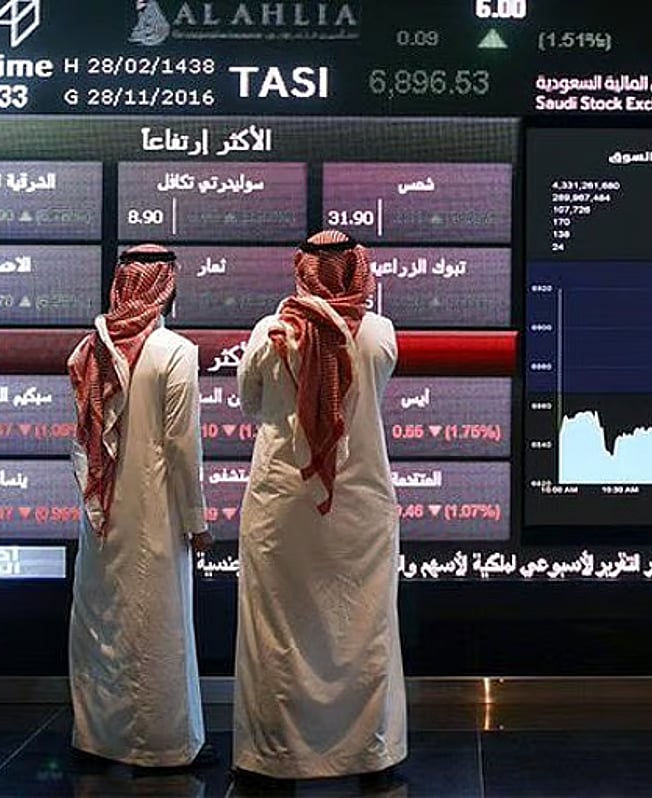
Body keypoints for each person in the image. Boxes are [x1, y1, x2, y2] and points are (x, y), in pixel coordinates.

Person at [233, 230, 406, 790]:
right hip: (359, 504)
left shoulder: (270, 332)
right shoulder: (380, 333)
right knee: (363, 625)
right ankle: (370, 756)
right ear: (358, 270)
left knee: (278, 629)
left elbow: (250, 402)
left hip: (283, 502)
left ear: (302, 270)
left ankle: (276, 759)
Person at [67, 243, 214, 769]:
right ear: (166, 288)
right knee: (156, 624)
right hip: (155, 511)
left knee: (103, 622)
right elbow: (181, 447)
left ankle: (97, 739)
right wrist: (197, 522)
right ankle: (164, 745)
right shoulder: (177, 352)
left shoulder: (91, 347)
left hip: (100, 513)